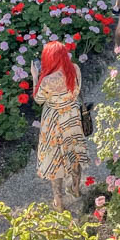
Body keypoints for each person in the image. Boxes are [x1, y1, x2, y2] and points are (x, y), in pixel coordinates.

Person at [30, 40, 89, 210]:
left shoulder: (48, 80)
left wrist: (35, 76)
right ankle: (76, 189)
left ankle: (59, 201)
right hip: (72, 118)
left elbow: (38, 99)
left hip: (54, 122)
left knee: (55, 160)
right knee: (74, 153)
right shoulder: (75, 69)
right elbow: (77, 91)